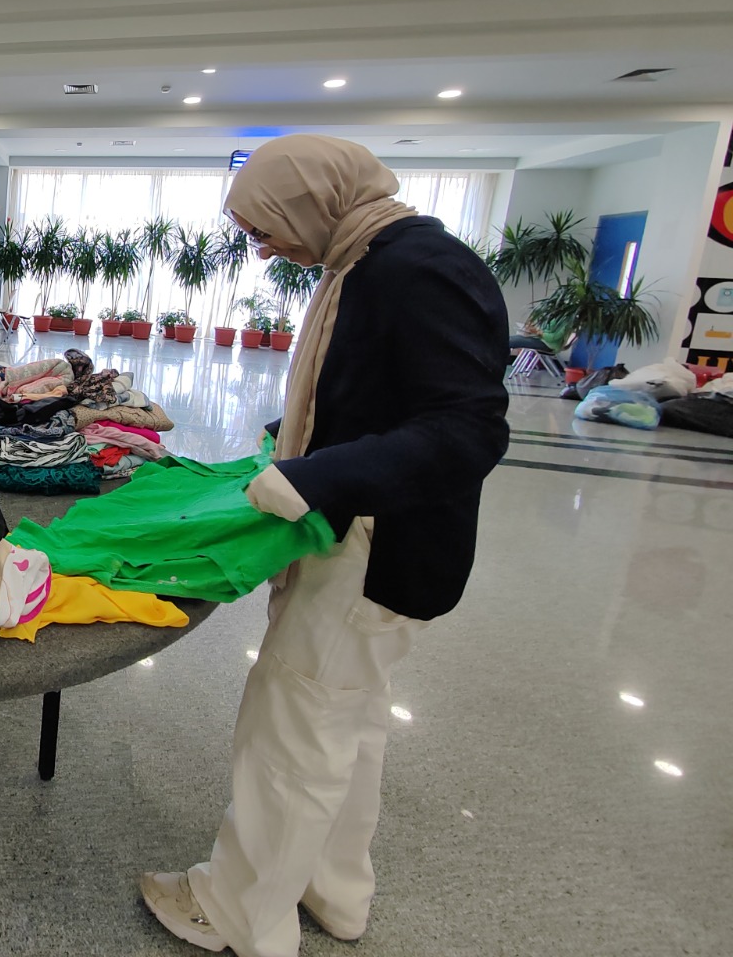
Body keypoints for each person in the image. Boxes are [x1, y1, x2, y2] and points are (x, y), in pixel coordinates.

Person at [140, 135, 510, 956]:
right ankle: (334, 891)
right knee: (347, 721)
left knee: (293, 730)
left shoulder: (414, 270)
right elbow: (380, 388)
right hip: (379, 535)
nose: (262, 248)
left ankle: (237, 912)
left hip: (374, 546)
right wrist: (295, 434)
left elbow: (468, 431)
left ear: (311, 201)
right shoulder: (370, 259)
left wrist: (320, 475)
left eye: (264, 228)